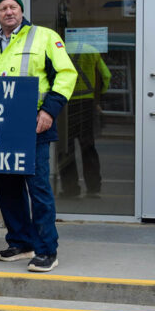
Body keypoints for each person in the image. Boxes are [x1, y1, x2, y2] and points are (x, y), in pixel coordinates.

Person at [0, 0, 77, 272]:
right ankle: (20, 241)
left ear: (21, 10)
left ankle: (46, 250)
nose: (9, 12)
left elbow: (66, 74)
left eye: (13, 6)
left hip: (34, 126)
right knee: (7, 189)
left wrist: (49, 111)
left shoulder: (44, 36)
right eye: (3, 8)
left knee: (38, 190)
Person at [58, 41, 111, 199]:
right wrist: (98, 96)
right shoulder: (92, 50)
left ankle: (70, 189)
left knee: (65, 149)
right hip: (86, 104)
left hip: (65, 104)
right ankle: (93, 188)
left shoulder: (60, 49)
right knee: (88, 147)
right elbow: (106, 76)